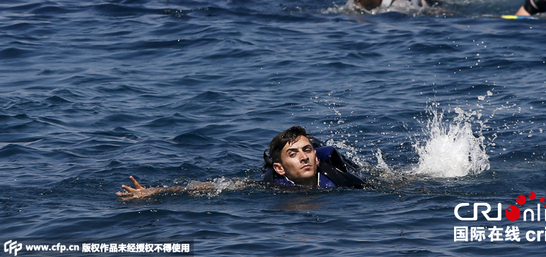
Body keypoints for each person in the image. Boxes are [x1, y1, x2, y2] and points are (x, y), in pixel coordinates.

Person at [117, 126, 364, 200]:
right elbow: (213, 186)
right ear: (280, 168)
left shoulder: (339, 177)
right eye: (293, 154)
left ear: (315, 157)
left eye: (307, 151)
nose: (303, 157)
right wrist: (155, 191)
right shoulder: (273, 184)